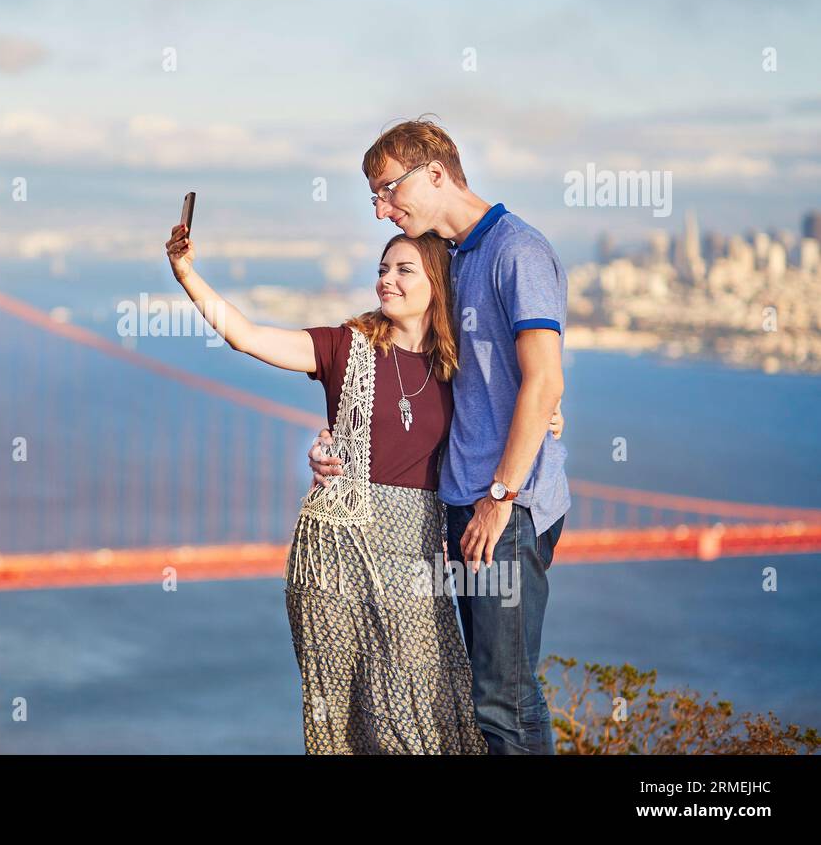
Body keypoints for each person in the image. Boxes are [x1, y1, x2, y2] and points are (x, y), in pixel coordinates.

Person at [165, 221, 562, 754]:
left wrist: (549, 416)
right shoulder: (342, 347)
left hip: (413, 551)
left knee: (433, 706)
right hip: (333, 551)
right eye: (382, 270)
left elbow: (519, 397)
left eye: (403, 270)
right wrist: (186, 273)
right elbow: (246, 336)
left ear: (436, 284)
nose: (387, 281)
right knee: (349, 717)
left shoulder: (456, 366)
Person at [309, 118, 570, 755]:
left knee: (499, 702)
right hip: (461, 502)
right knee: (494, 693)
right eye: (373, 197)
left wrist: (500, 495)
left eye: (388, 190)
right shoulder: (449, 260)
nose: (381, 210)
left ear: (435, 173)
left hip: (505, 507)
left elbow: (542, 384)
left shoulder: (518, 252)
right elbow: (441, 378)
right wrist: (336, 439)